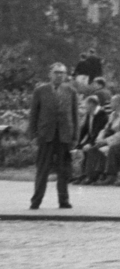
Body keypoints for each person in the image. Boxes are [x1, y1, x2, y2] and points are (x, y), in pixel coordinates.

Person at [28, 63, 79, 209]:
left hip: (64, 135)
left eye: (62, 73)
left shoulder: (71, 91)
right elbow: (34, 115)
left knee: (64, 170)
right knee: (42, 169)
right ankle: (36, 201)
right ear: (50, 74)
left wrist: (75, 136)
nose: (59, 75)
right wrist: (33, 134)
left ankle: (64, 200)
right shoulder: (40, 91)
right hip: (46, 135)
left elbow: (75, 115)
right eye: (56, 72)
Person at [94, 94, 120, 183]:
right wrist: (100, 137)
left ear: (118, 103)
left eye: (112, 102)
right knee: (95, 147)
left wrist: (106, 141)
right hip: (111, 138)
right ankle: (97, 174)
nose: (110, 104)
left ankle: (111, 175)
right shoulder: (113, 114)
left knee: (114, 147)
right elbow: (106, 129)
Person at [73, 93, 109, 184]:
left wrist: (90, 143)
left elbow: (98, 131)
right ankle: (83, 174)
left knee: (90, 149)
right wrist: (78, 144)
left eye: (86, 104)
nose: (84, 107)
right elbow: (84, 130)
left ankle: (91, 175)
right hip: (92, 138)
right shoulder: (90, 114)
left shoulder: (102, 115)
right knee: (80, 149)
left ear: (92, 104)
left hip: (100, 139)